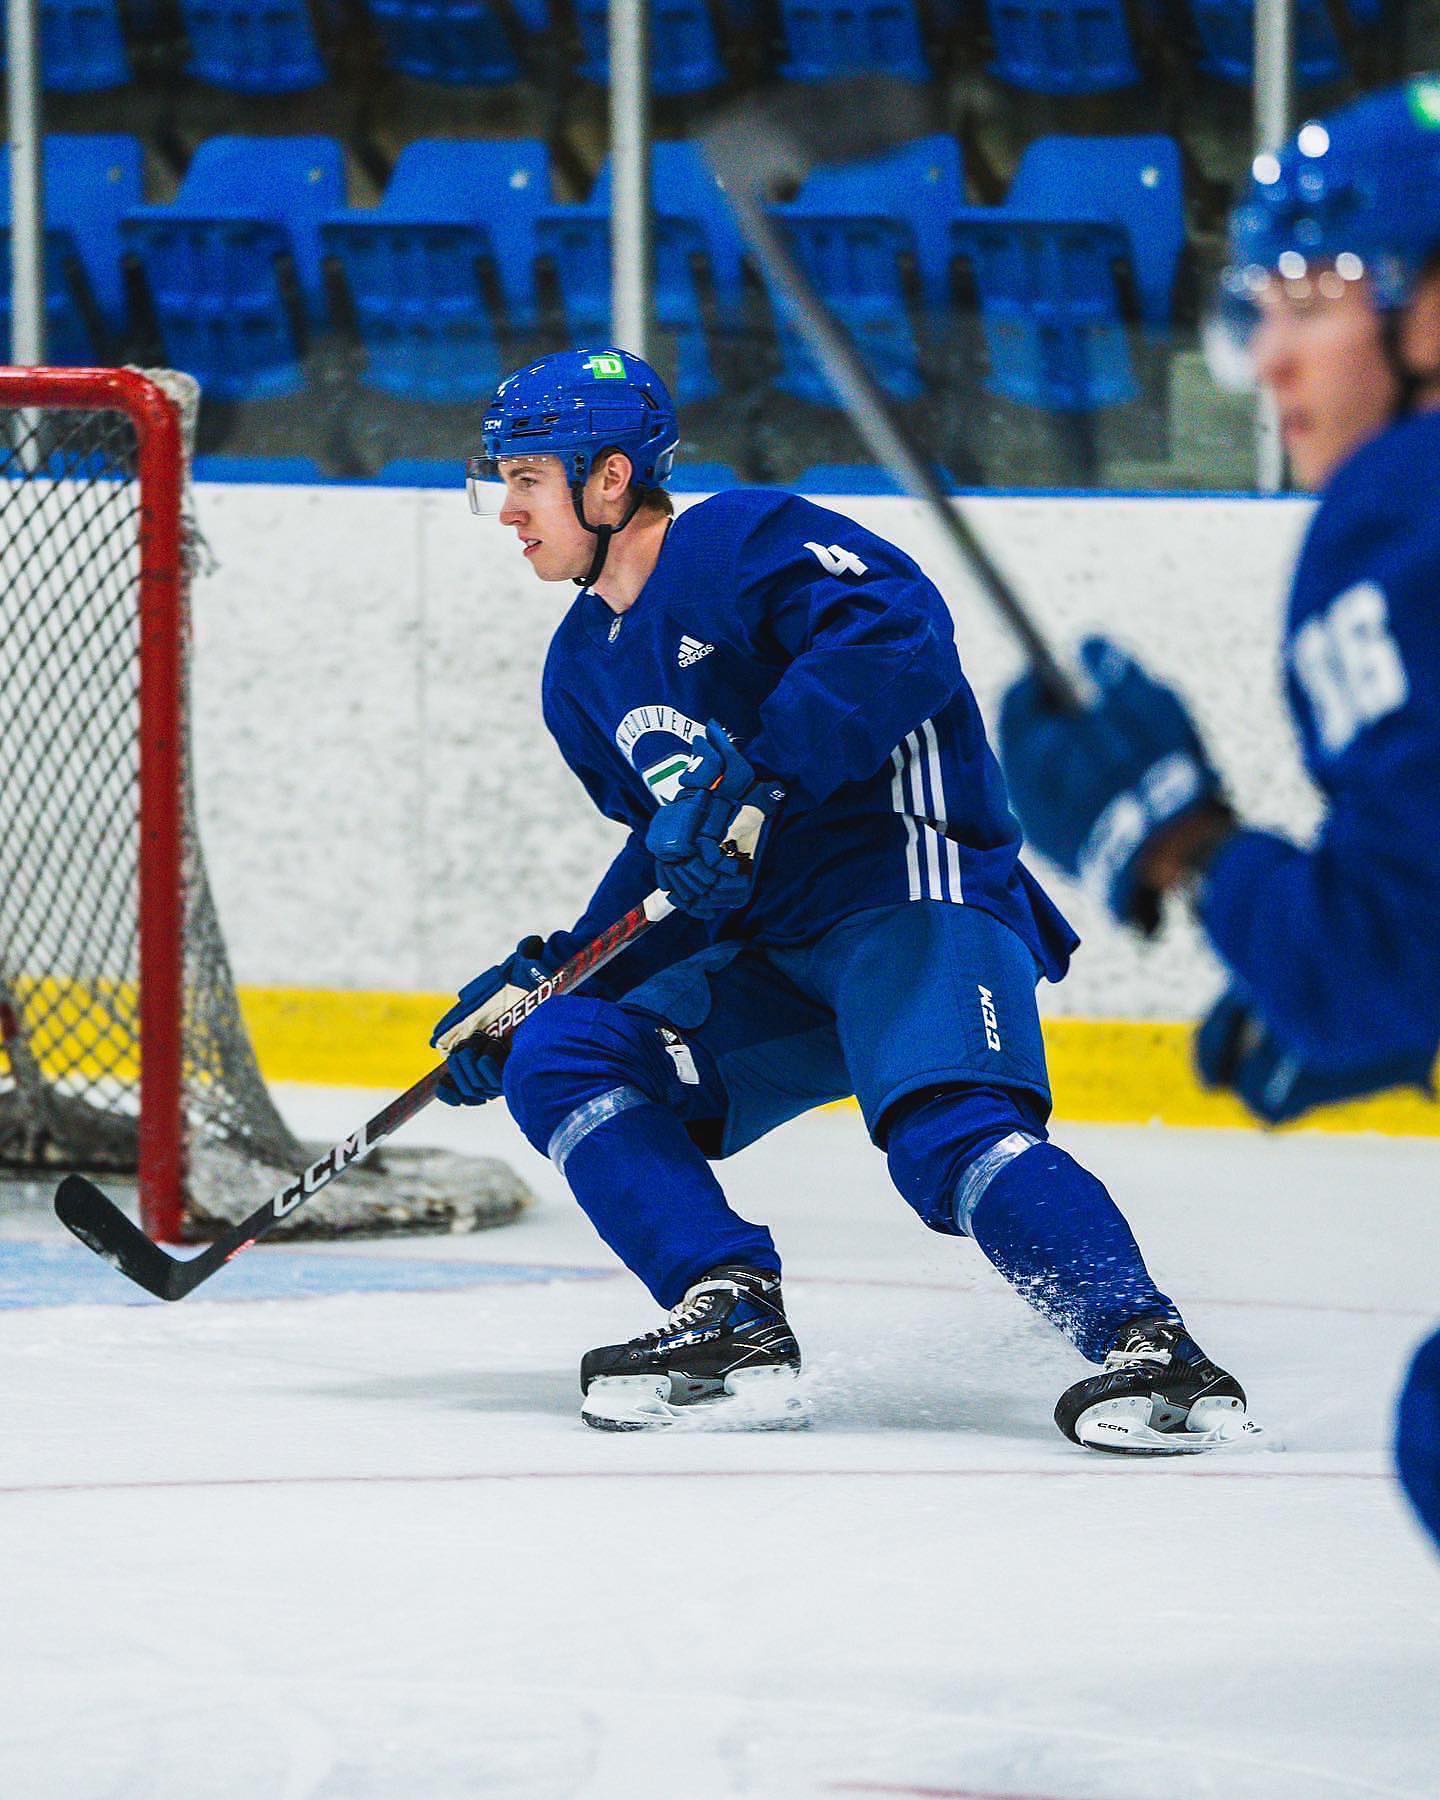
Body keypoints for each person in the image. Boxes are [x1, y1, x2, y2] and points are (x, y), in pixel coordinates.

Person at [432, 345, 1257, 1448]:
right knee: (566, 1049)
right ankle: (727, 1314)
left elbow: (895, 631)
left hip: (906, 896)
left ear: (611, 478)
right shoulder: (580, 672)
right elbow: (672, 857)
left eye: (526, 480)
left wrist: (764, 775)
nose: (508, 511)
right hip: (774, 957)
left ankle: (1156, 1355)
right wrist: (557, 972)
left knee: (947, 1134)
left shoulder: (740, 542)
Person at [997, 78, 1440, 1549]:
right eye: (1262, 299)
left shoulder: (1404, 510)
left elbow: (1385, 951)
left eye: (1318, 294)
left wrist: (1182, 840)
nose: (1267, 357)